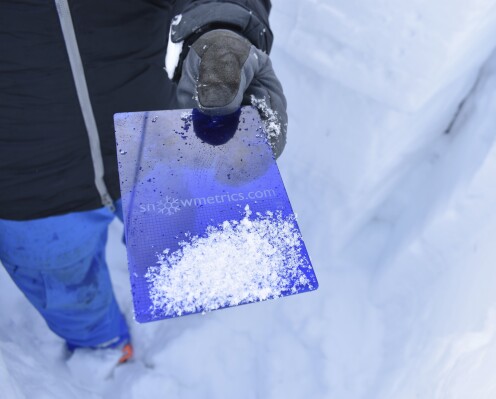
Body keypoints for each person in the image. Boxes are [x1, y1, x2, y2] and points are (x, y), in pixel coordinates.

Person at [0, 0, 287, 363]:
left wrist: (222, 28)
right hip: (23, 180)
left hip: (153, 136)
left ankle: (200, 345)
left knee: (186, 246)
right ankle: (102, 347)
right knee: (64, 290)